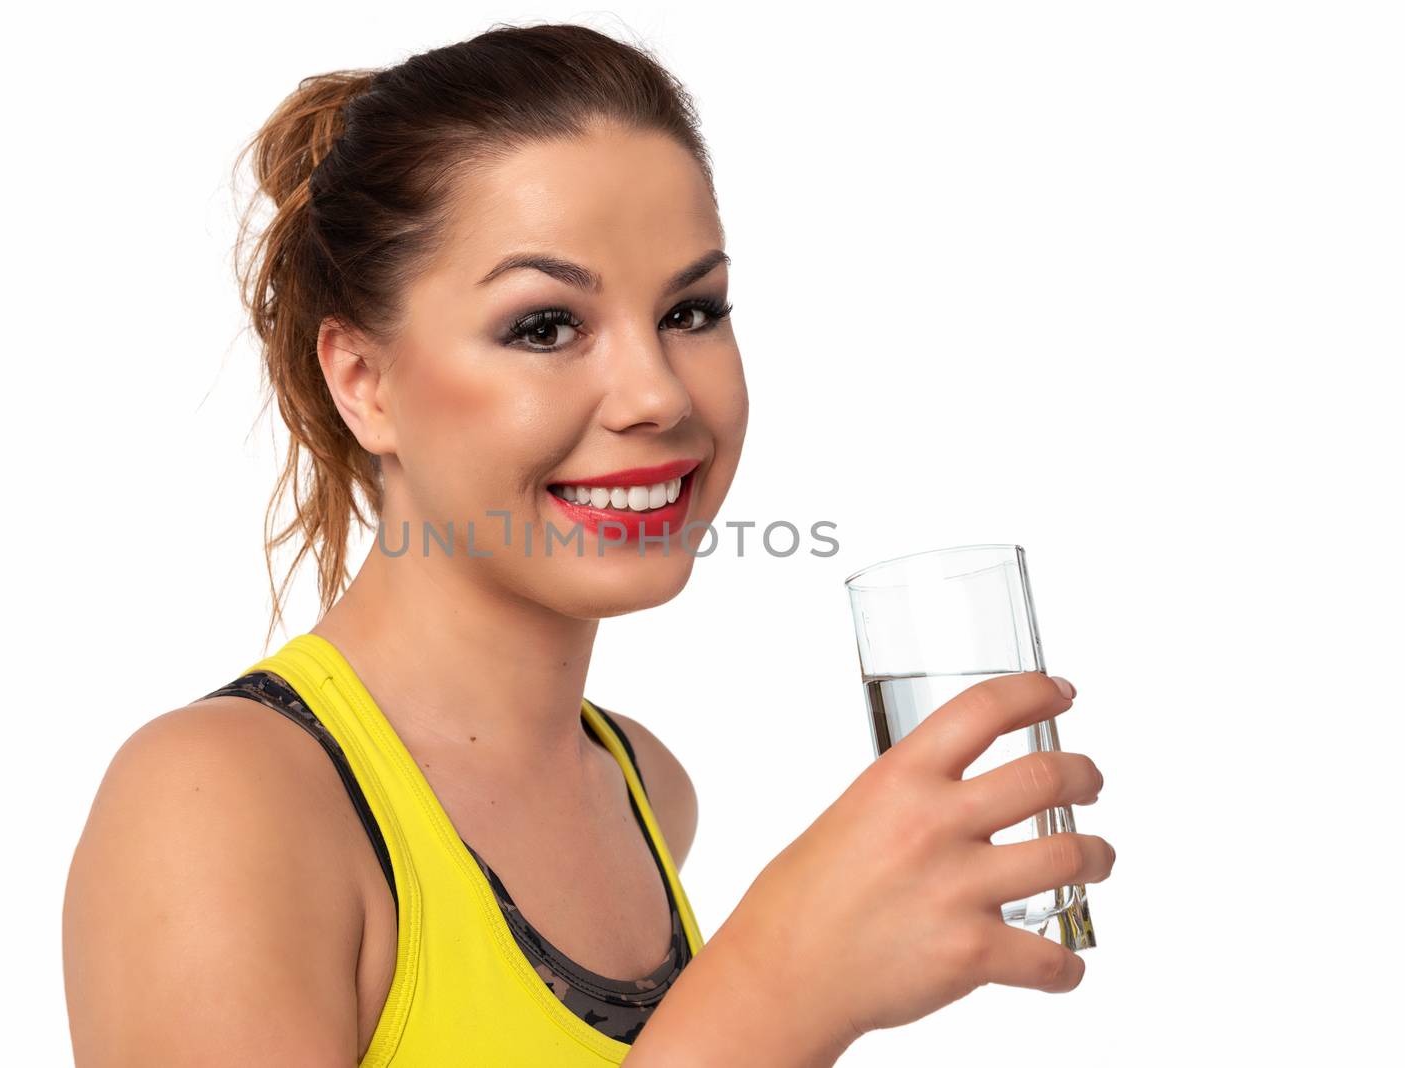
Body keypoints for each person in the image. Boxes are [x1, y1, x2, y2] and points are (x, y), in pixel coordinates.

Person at [61, 22, 1115, 1067]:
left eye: (692, 312)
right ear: (363, 383)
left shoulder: (646, 788)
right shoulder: (218, 807)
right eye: (545, 327)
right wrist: (777, 990)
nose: (657, 395)